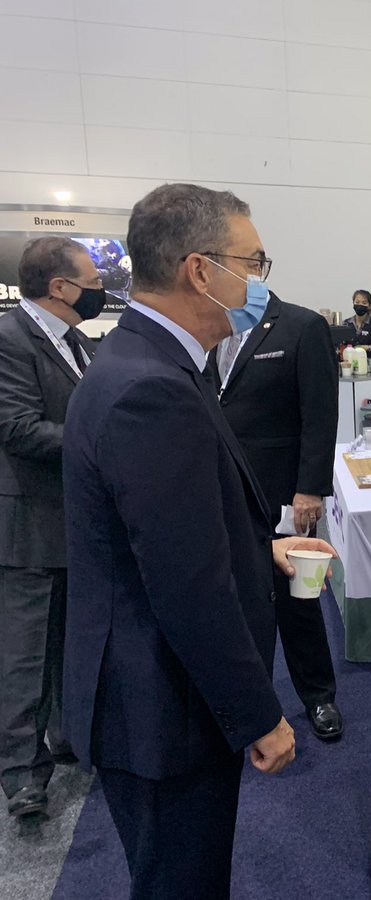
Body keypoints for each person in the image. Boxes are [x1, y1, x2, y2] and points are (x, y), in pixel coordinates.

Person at [62, 183, 336, 899]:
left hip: (153, 692)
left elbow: (171, 526)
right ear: (200, 270)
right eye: (254, 261)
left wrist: (263, 547)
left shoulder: (149, 362)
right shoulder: (152, 387)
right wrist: (259, 715)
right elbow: (187, 584)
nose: (258, 281)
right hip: (160, 705)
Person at [207, 289, 344, 741]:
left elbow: (320, 415)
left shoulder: (301, 327)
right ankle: (254, 704)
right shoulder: (211, 325)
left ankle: (319, 695)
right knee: (239, 600)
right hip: (226, 490)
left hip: (286, 494)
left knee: (299, 599)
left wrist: (311, 488)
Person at [0, 237, 104, 820]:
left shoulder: (77, 343)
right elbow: (16, 428)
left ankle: (66, 738)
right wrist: (99, 443)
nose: (99, 287)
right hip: (28, 525)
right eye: (91, 279)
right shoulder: (10, 338)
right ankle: (21, 773)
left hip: (72, 523)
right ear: (60, 287)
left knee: (68, 643)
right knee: (25, 656)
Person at [347, 288, 371, 358]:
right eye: (357, 302)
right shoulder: (345, 324)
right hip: (349, 365)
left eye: (364, 303)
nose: (360, 305)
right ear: (353, 303)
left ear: (369, 305)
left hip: (369, 365)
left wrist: (368, 347)